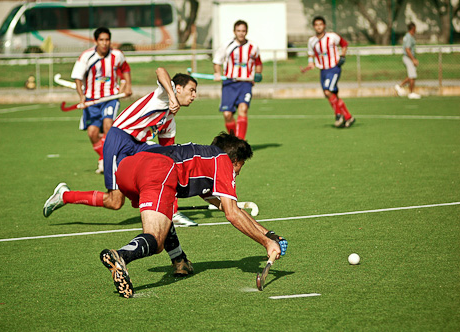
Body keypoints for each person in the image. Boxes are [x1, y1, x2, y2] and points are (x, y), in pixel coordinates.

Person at [43, 68, 198, 275]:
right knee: (115, 202)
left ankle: (174, 226)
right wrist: (171, 96)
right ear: (177, 88)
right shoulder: (163, 95)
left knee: (168, 161)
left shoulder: (170, 122)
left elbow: (168, 156)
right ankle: (65, 195)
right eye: (192, 90)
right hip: (120, 139)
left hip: (139, 146)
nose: (195, 95)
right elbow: (160, 70)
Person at [99, 133, 288, 298]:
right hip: (157, 169)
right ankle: (121, 255)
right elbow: (232, 214)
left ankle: (179, 260)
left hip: (127, 169)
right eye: (240, 166)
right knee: (155, 241)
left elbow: (230, 208)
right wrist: (266, 243)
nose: (237, 173)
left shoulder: (202, 164)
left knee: (163, 215)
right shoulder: (222, 160)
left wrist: (268, 234)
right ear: (235, 161)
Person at [71, 27, 132, 174]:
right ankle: (104, 157)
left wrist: (127, 87)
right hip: (92, 99)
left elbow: (125, 68)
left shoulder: (117, 55)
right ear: (96, 41)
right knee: (92, 133)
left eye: (107, 40)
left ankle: (109, 160)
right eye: (101, 40)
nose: (105, 43)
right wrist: (81, 96)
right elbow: (78, 78)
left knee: (107, 125)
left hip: (111, 97)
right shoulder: (86, 56)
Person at [301, 16, 355, 128]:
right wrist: (311, 63)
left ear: (324, 25)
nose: (318, 27)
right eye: (316, 25)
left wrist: (343, 56)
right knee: (332, 95)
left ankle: (338, 115)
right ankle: (348, 117)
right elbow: (310, 54)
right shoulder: (312, 41)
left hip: (334, 68)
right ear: (313, 27)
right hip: (323, 70)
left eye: (320, 24)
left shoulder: (332, 37)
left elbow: (344, 44)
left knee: (327, 91)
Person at [212, 20, 263, 140]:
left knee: (243, 109)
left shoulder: (253, 47)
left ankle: (240, 140)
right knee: (227, 114)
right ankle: (234, 139)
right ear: (234, 31)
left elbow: (258, 62)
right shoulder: (227, 45)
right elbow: (217, 61)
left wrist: (258, 74)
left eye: (243, 31)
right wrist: (217, 73)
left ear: (247, 32)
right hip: (229, 83)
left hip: (245, 83)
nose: (241, 33)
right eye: (238, 31)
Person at [395, 22, 421, 99]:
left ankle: (399, 86)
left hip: (408, 57)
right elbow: (407, 49)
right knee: (412, 76)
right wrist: (413, 59)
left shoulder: (409, 36)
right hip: (408, 57)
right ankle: (411, 92)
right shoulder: (409, 37)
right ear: (413, 28)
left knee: (412, 75)